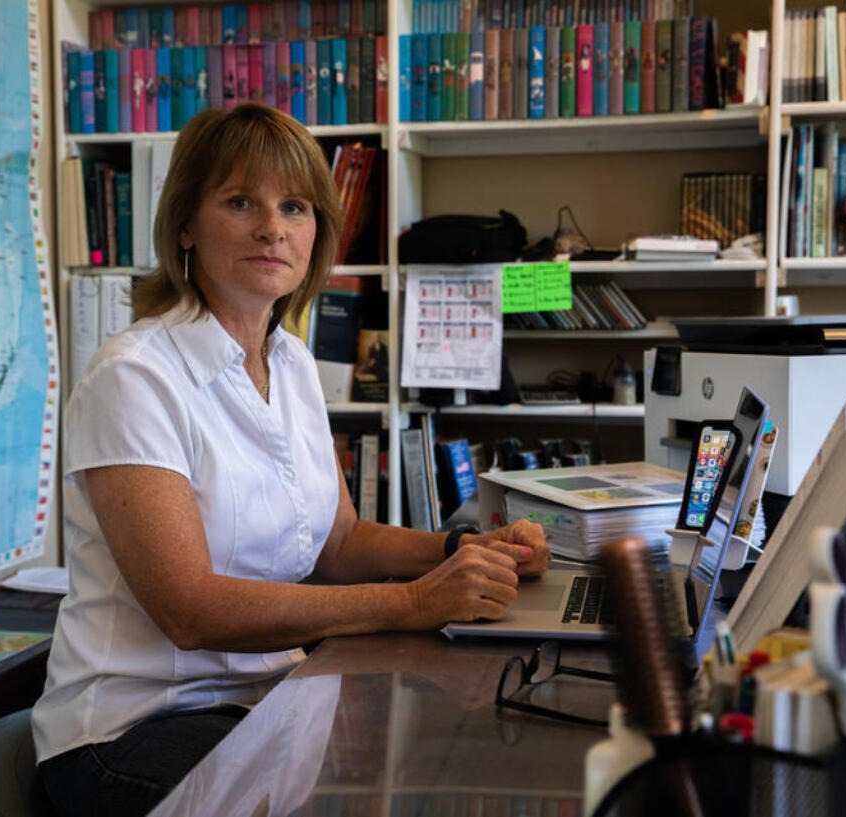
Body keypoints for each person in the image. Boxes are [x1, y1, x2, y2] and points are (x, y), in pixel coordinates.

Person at [32, 103, 550, 817]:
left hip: (269, 699)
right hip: (131, 732)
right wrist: (410, 602)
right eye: (240, 201)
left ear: (317, 233)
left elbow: (337, 542)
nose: (273, 226)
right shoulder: (134, 376)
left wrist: (464, 549)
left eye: (295, 206)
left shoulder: (293, 363)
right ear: (185, 223)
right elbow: (191, 610)